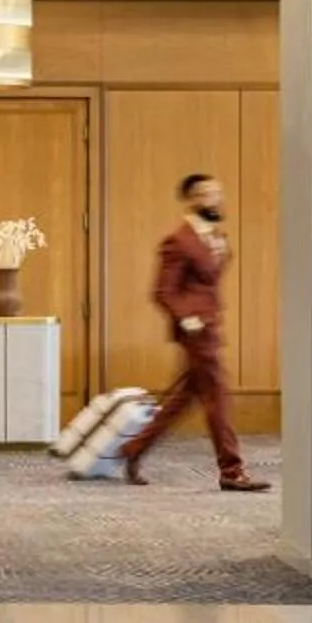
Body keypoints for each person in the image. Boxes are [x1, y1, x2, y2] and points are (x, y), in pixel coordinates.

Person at [119, 171, 269, 492]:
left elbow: (207, 279)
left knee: (182, 399)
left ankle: (133, 450)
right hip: (197, 332)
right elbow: (163, 291)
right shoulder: (178, 241)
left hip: (211, 327)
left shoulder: (215, 236)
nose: (217, 198)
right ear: (193, 199)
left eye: (218, 192)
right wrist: (187, 318)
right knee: (218, 398)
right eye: (209, 193)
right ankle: (232, 470)